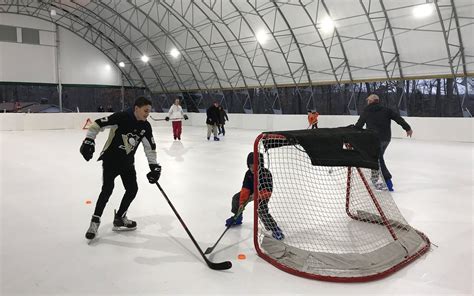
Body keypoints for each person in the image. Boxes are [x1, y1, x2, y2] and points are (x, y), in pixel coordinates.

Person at [80, 97, 162, 240]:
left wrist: (154, 166)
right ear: (137, 108)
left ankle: (120, 217)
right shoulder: (121, 117)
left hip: (127, 163)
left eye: (149, 111)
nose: (147, 114)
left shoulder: (146, 126)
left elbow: (150, 147)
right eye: (145, 110)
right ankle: (94, 222)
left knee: (132, 189)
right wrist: (89, 140)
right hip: (111, 161)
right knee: (107, 190)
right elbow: (97, 124)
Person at [355, 94, 413, 191]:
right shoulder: (386, 110)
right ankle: (374, 179)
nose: (367, 102)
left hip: (373, 140)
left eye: (368, 100)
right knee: (376, 158)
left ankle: (387, 180)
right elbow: (398, 118)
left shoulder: (367, 110)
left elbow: (359, 124)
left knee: (378, 159)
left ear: (370, 101)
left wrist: (353, 133)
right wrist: (407, 128)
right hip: (386, 139)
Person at [225, 152, 284, 240]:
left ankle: (273, 228)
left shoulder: (266, 173)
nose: (252, 168)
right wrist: (242, 203)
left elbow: (268, 191)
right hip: (252, 191)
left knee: (261, 209)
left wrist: (256, 195)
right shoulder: (248, 174)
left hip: (262, 193)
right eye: (250, 166)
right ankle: (237, 217)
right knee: (236, 198)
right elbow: (245, 189)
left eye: (255, 166)